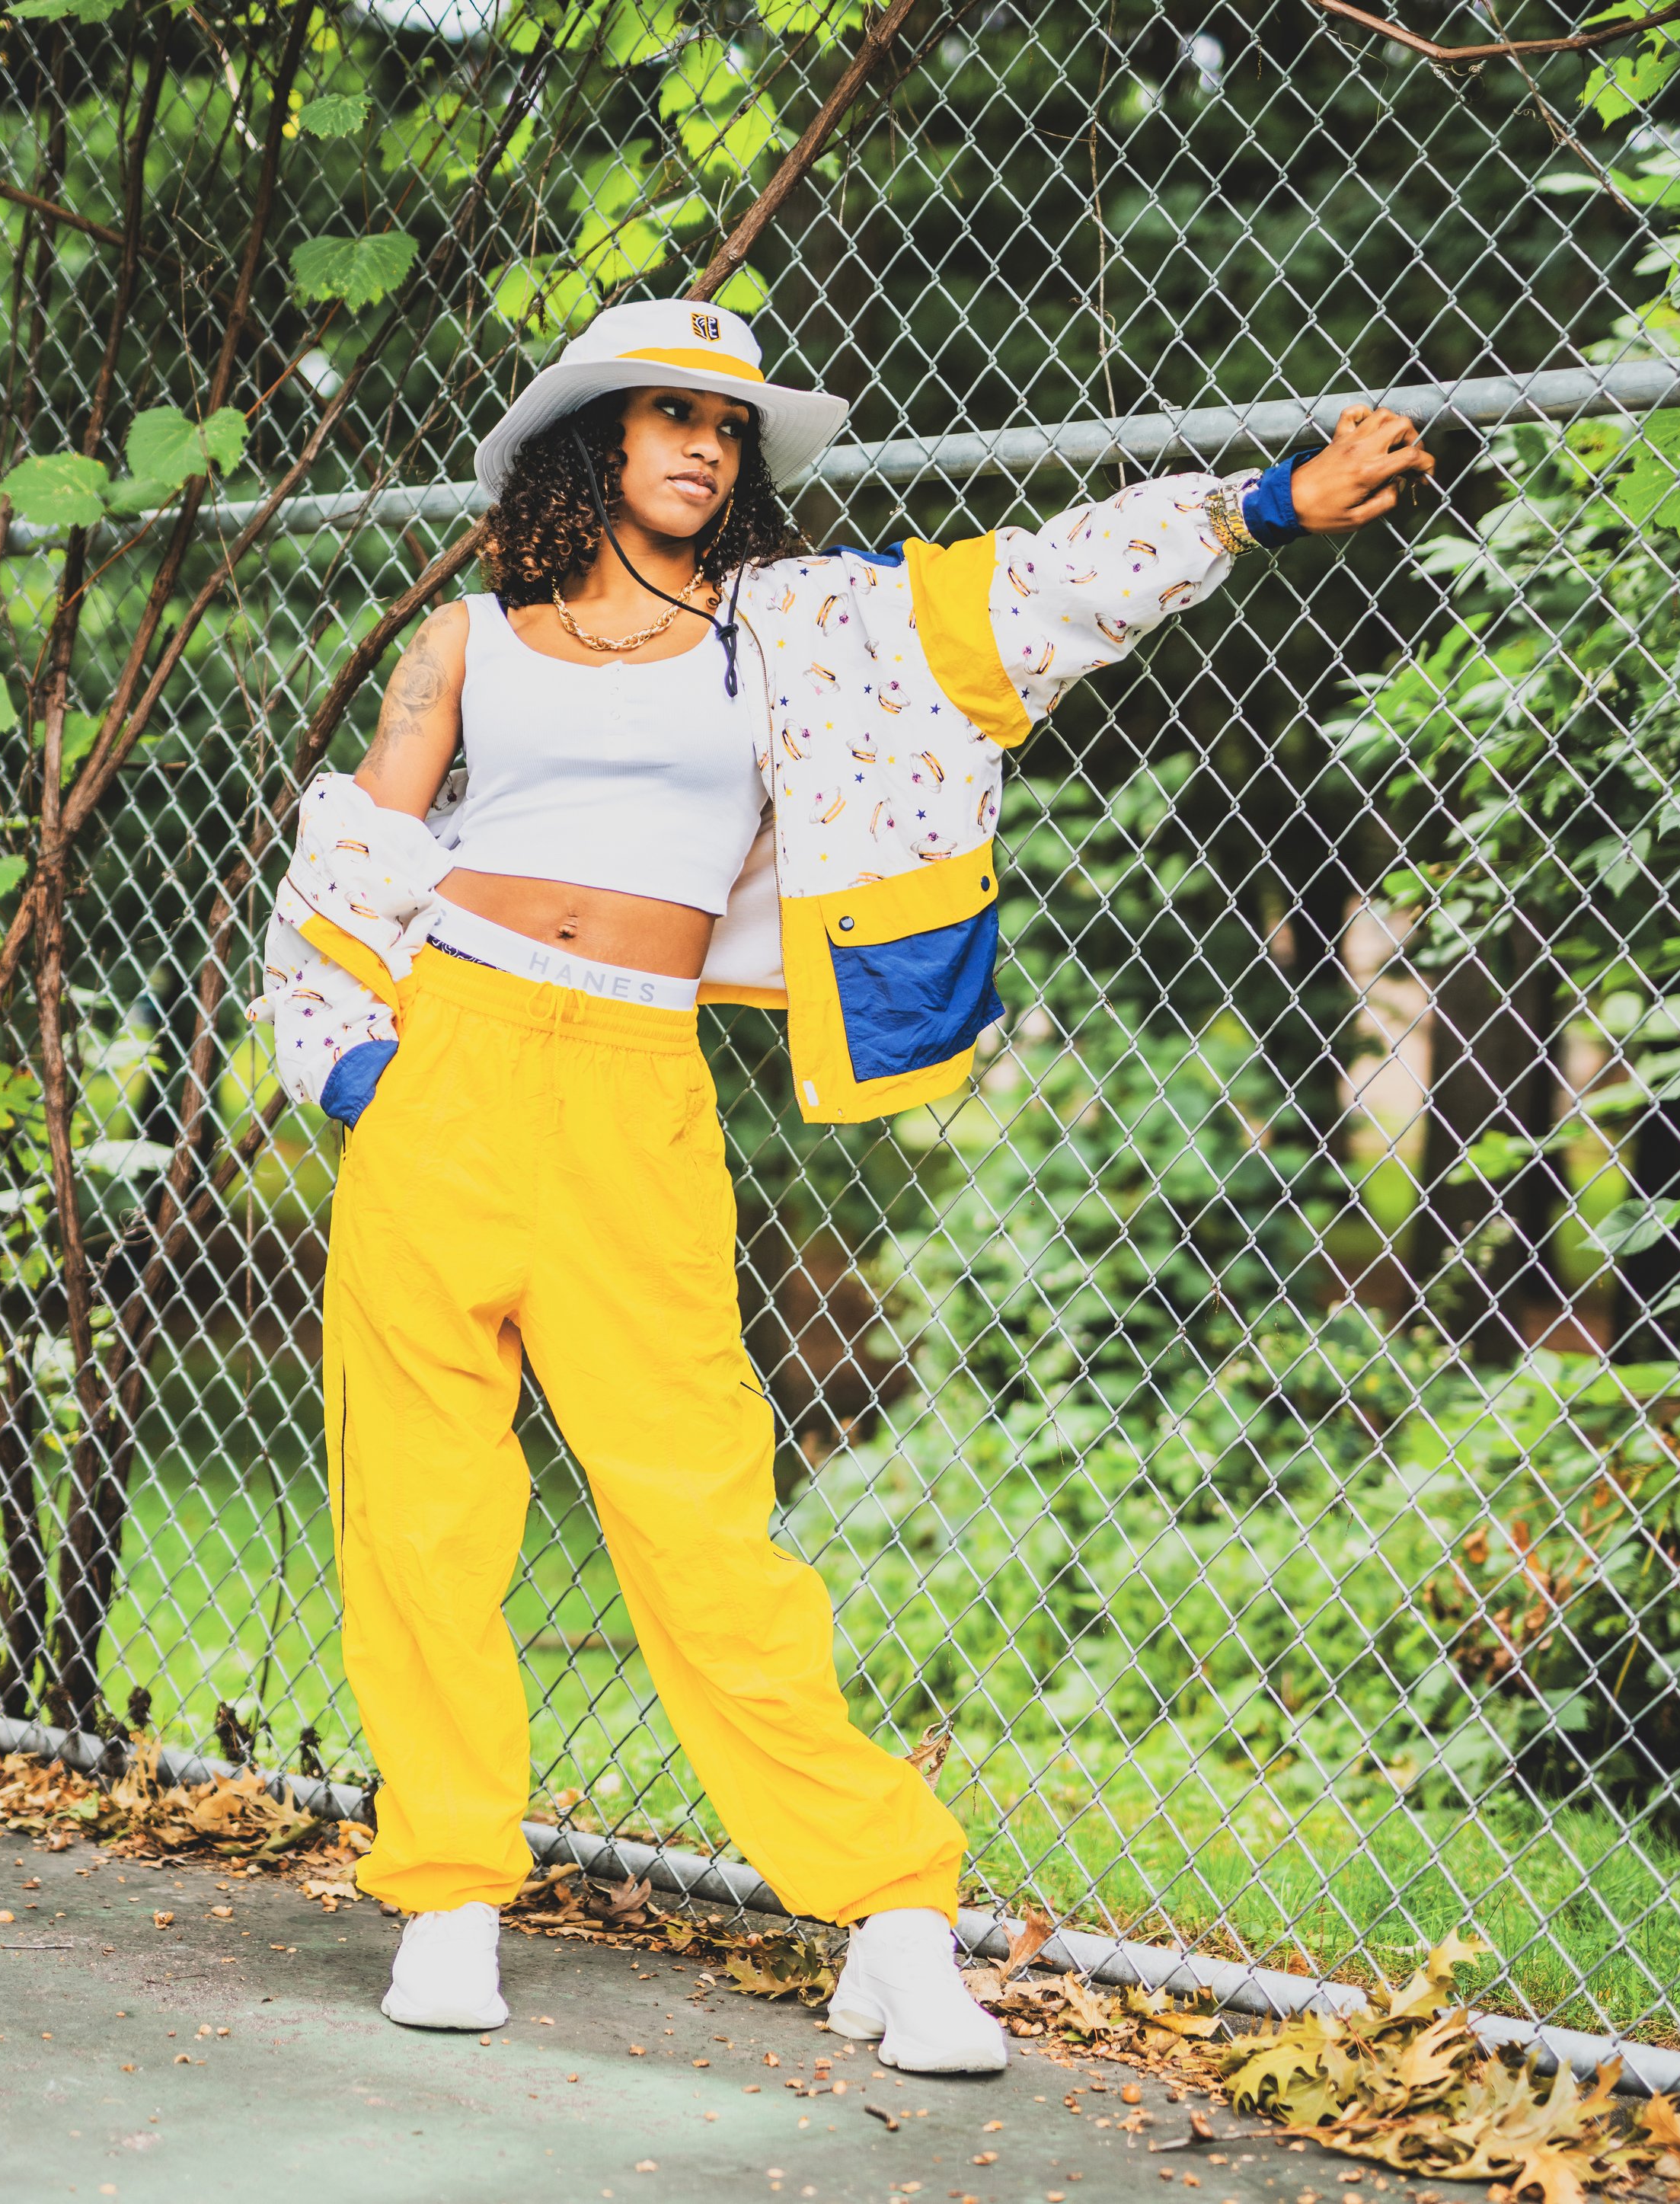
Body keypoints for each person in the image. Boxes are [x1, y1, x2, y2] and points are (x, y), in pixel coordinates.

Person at [249, 295, 1432, 2073]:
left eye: (725, 422)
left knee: (700, 1519)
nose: (702, 442)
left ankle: (887, 1912)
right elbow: (354, 852)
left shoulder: (804, 634)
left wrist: (1260, 506)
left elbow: (1026, 591)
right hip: (447, 1070)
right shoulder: (464, 643)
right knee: (416, 1506)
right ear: (591, 443)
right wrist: (352, 1063)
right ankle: (446, 1887)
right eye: (664, 412)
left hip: (635, 1089)